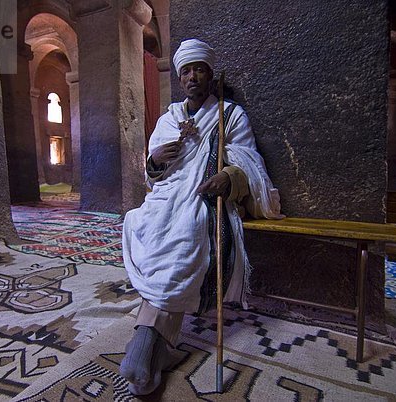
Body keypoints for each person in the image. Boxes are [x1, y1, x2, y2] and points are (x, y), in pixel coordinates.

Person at [120, 38, 283, 395]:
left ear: (210, 74)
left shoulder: (230, 115)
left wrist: (229, 177)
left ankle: (145, 344)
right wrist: (156, 159)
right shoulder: (169, 118)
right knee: (144, 220)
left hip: (206, 197)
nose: (192, 76)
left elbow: (250, 163)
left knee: (188, 228)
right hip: (166, 196)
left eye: (199, 69)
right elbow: (152, 176)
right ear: (180, 79)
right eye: (186, 71)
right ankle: (154, 347)